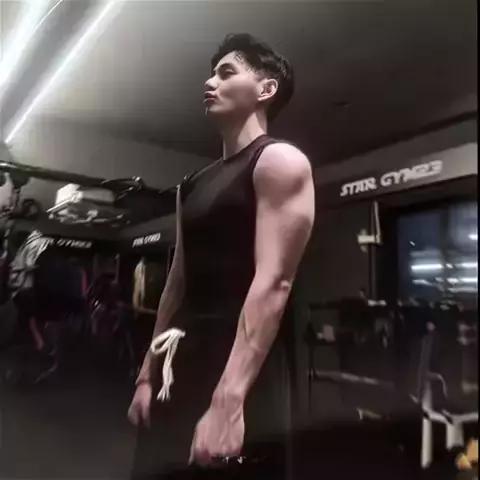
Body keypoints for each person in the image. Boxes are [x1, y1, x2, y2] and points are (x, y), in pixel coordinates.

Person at [128, 33, 315, 479]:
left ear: (266, 89)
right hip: (180, 362)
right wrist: (147, 373)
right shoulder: (191, 184)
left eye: (226, 73)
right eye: (211, 73)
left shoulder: (279, 162)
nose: (210, 82)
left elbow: (274, 282)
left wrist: (228, 402)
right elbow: (177, 281)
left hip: (241, 370)